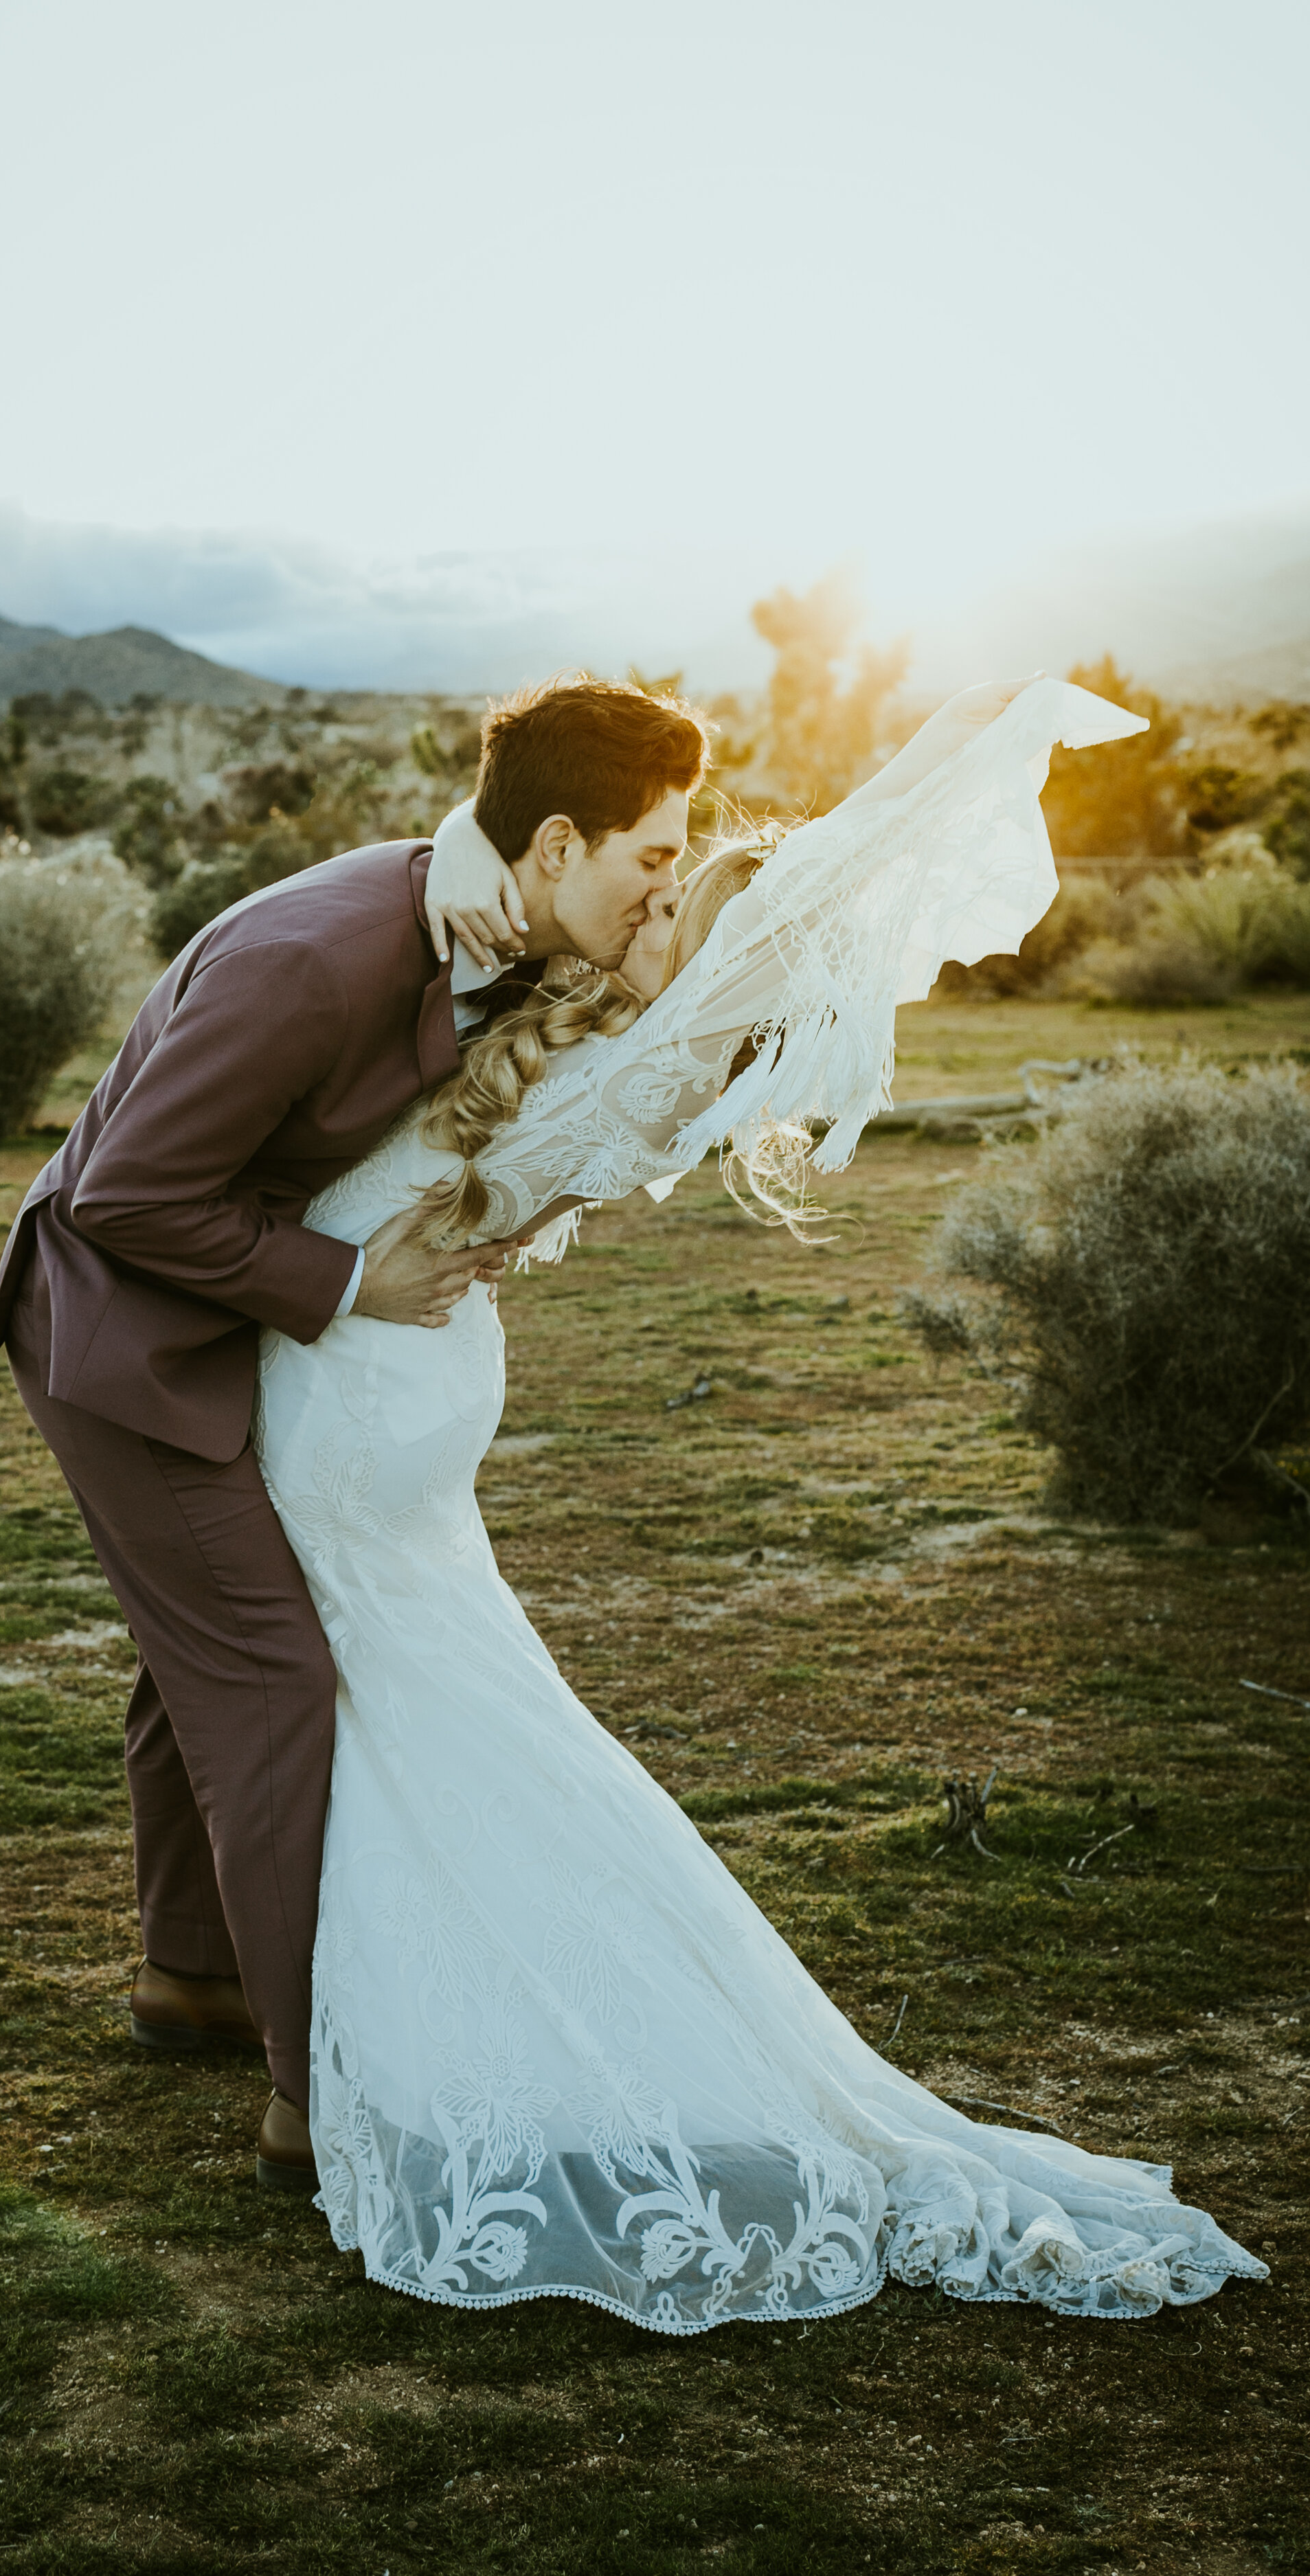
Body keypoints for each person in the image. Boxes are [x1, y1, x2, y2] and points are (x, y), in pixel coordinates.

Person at [252, 675, 1266, 2328]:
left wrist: (963, 764)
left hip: (356, 1405)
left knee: (411, 1726)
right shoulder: (568, 1022)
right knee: (433, 1718)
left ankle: (391, 2063)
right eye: (648, 879)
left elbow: (790, 908)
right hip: (390, 1394)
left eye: (674, 897)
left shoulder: (625, 1062)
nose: (655, 898)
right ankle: (325, 2030)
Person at [0, 676, 709, 2184]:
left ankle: (189, 1975)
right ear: (558, 842)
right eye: (653, 855)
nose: (666, 882)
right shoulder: (314, 958)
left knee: (198, 1652)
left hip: (223, 1333)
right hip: (126, 1350)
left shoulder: (488, 922)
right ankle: (319, 2090)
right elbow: (123, 1193)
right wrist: (355, 1281)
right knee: (272, 1675)